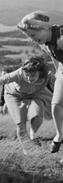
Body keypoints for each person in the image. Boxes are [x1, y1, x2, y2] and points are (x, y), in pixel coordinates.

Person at [0, 56, 54, 148]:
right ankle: (26, 149)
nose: (30, 78)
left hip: (33, 95)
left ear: (40, 73)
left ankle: (33, 135)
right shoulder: (17, 74)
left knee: (38, 114)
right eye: (27, 75)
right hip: (13, 95)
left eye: (33, 76)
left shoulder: (47, 76)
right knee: (21, 123)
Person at [17, 11, 63, 153]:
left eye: (33, 35)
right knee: (56, 105)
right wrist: (57, 76)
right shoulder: (45, 42)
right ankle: (60, 134)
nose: (32, 39)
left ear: (43, 28)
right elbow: (55, 58)